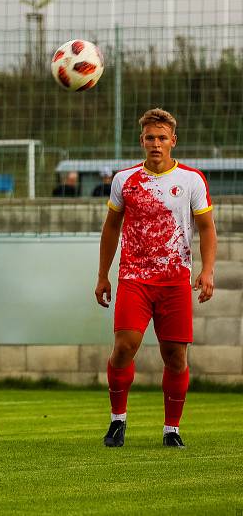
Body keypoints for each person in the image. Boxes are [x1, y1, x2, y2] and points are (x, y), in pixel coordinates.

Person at [95, 108, 216, 449]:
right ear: (142, 141)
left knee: (175, 356)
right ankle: (118, 421)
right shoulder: (125, 180)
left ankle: (171, 428)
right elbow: (111, 228)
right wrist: (103, 275)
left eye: (162, 138)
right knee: (124, 347)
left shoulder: (192, 180)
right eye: (150, 137)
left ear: (173, 141)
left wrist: (206, 271)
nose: (156, 143)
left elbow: (206, 229)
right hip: (134, 277)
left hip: (175, 280)